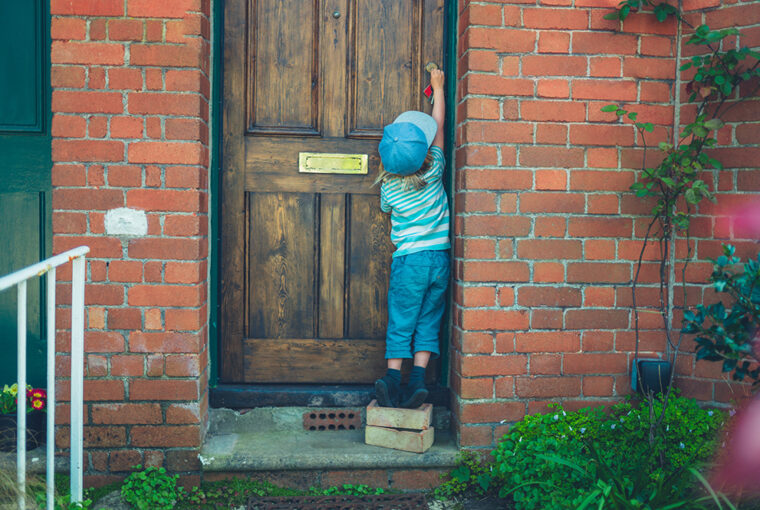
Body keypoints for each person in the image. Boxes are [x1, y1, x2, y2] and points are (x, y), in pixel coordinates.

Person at [373, 69, 450, 408]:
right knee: (429, 318)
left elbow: (387, 208)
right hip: (439, 259)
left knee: (402, 318)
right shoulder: (434, 170)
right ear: (424, 152)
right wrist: (439, 88)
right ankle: (418, 379)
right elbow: (439, 130)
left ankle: (392, 378)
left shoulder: (388, 187)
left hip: (409, 262)